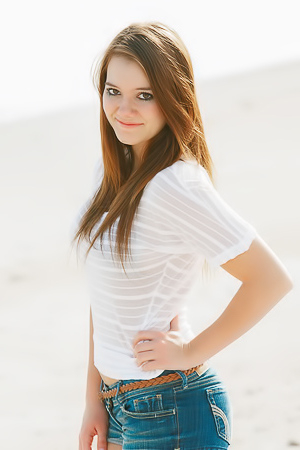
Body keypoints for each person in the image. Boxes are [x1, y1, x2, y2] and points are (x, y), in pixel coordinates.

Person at [70, 22, 293, 450]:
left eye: (145, 95)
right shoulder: (113, 176)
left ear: (174, 98)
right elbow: (106, 299)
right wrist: (93, 399)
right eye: (113, 91)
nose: (123, 109)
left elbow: (270, 279)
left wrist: (190, 351)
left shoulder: (175, 184)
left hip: (172, 406)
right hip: (119, 406)